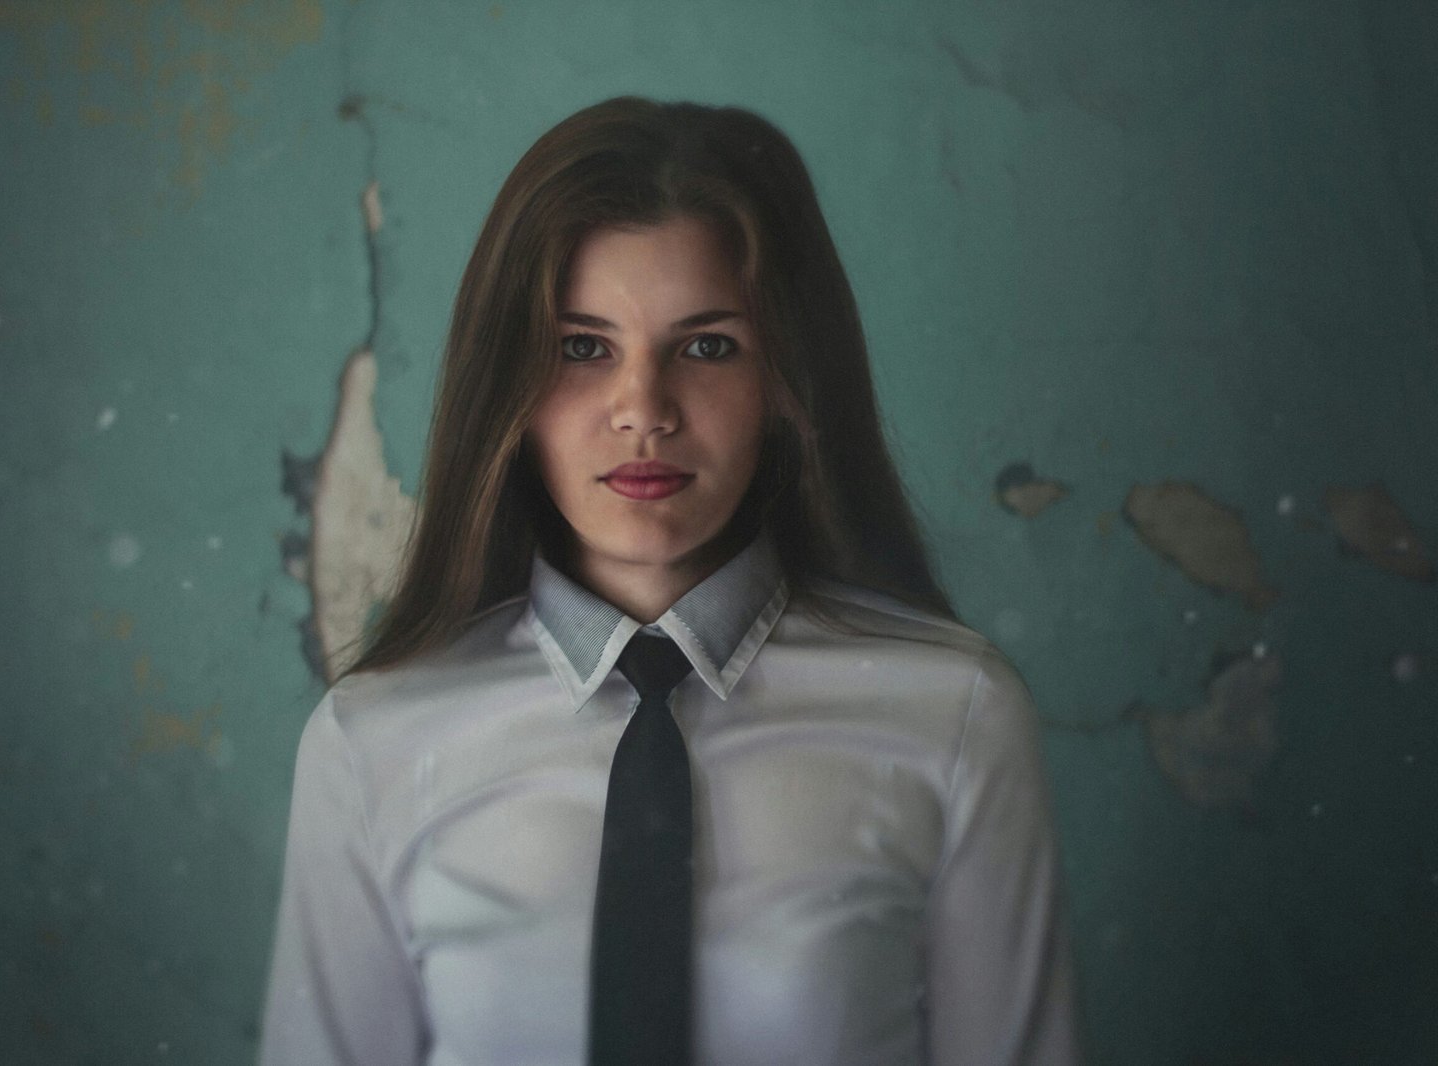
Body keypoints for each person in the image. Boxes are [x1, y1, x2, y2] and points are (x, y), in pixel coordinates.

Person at [259, 97, 1078, 1065]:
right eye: (581, 346)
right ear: (508, 387)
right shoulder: (373, 744)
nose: (643, 410)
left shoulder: (954, 718)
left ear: (785, 383)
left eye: (706, 346)